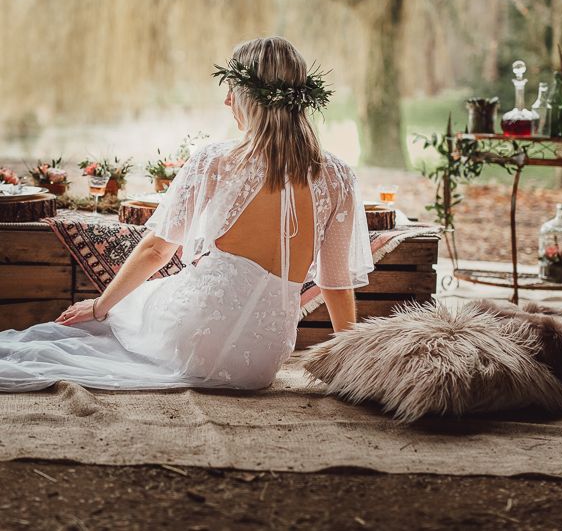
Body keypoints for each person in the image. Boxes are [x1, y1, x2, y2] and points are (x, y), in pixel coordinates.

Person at [0, 36, 374, 392]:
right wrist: (351, 364)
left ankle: (109, 319)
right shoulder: (339, 176)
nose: (227, 101)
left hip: (191, 336)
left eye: (234, 90)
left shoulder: (215, 160)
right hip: (260, 363)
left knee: (110, 322)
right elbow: (336, 284)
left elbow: (156, 251)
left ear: (252, 98)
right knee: (124, 316)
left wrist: (99, 306)